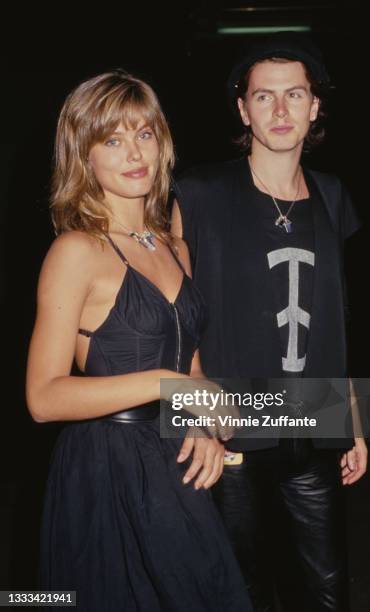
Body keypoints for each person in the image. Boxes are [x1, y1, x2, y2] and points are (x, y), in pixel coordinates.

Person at [26, 70, 253, 611]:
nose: (135, 152)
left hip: (173, 461)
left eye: (144, 134)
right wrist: (166, 384)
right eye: (113, 139)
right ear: (84, 155)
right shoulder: (76, 251)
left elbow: (192, 368)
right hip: (107, 469)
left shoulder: (176, 246)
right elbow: (43, 398)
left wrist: (201, 421)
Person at [172, 33, 368, 612]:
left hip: (313, 422)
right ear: (242, 108)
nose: (280, 111)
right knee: (238, 592)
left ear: (315, 107)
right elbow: (175, 317)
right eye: (264, 97)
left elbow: (335, 318)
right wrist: (194, 416)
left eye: (294, 96)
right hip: (230, 431)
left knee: (327, 592)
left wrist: (351, 417)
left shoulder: (334, 197)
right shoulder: (199, 192)